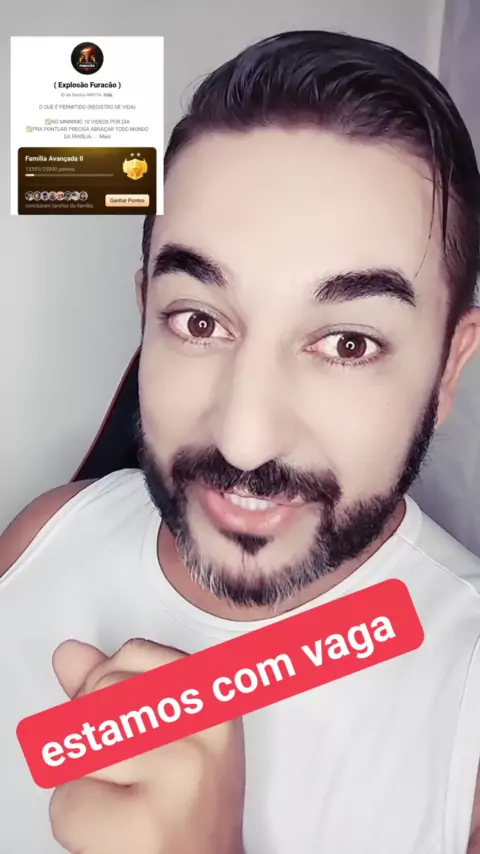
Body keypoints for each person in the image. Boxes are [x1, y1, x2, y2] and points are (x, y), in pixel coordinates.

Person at [2, 28, 480, 854]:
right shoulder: (45, 532)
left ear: (448, 368)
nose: (246, 441)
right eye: (198, 322)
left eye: (349, 343)